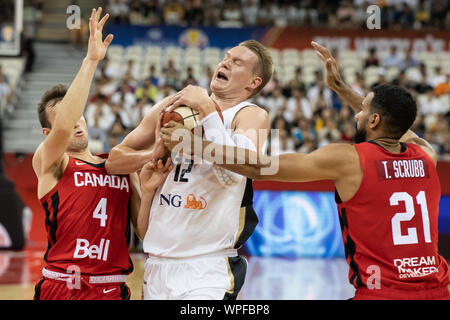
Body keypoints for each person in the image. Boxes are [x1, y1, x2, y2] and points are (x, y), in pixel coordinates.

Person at [161, 41, 450, 300]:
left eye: (361, 110)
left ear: (374, 120)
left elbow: (258, 167)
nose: (356, 114)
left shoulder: (348, 159)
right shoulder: (426, 154)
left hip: (383, 293)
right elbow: (398, 127)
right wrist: (340, 88)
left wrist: (193, 144)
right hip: (438, 289)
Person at [105, 39, 274, 299]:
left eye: (237, 62)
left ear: (253, 83)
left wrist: (207, 109)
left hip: (207, 267)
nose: (226, 62)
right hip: (158, 263)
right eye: (227, 57)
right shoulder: (171, 107)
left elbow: (240, 169)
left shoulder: (250, 114)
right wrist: (151, 154)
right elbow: (114, 161)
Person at [32, 8, 141, 300]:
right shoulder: (51, 161)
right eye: (68, 117)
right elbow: (64, 127)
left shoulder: (118, 163)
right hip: (63, 286)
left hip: (111, 286)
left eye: (80, 115)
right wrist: (91, 60)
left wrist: (150, 181)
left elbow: (142, 230)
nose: (75, 122)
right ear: (48, 133)